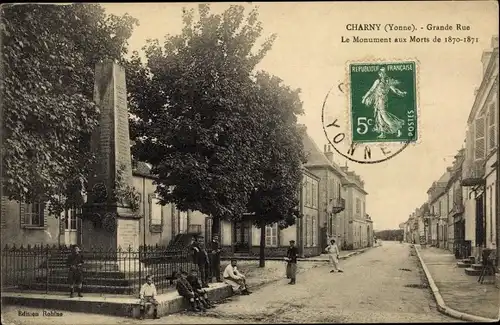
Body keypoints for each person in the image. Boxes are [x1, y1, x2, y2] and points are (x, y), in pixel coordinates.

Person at [361, 67, 406, 139]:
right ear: (379, 73)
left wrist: (401, 93)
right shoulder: (378, 81)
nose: (381, 74)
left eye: (383, 73)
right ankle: (383, 133)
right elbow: (371, 90)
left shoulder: (387, 81)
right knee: (379, 117)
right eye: (380, 73)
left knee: (384, 116)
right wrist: (365, 98)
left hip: (382, 101)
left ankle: (397, 129)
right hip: (377, 101)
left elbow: (395, 90)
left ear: (384, 73)